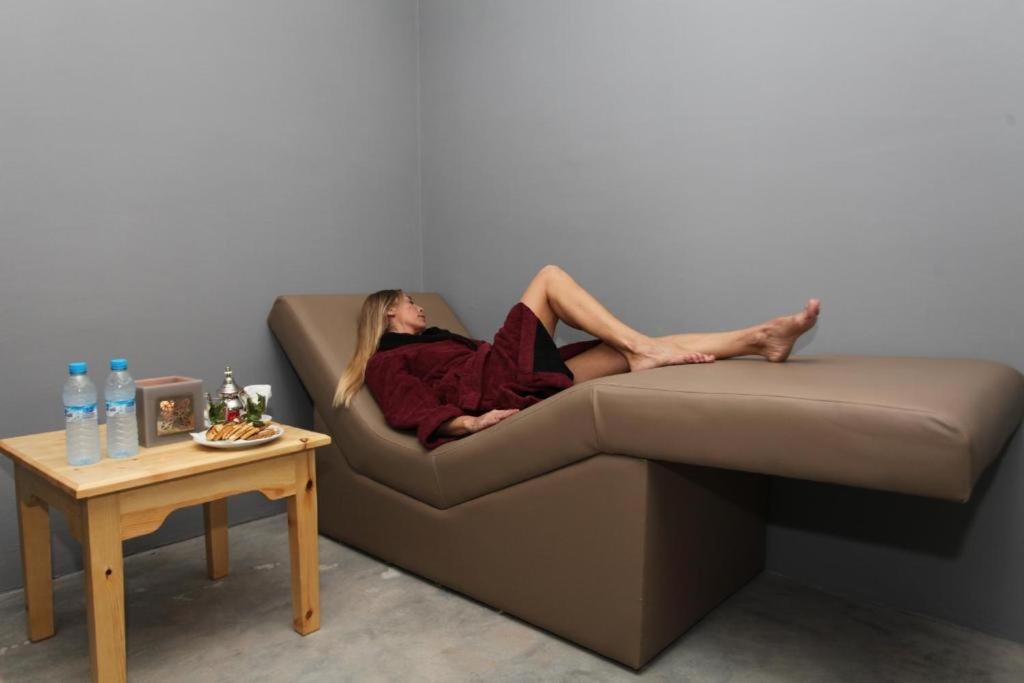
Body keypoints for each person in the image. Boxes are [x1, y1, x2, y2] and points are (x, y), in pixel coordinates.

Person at [334, 264, 820, 450]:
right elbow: (409, 408)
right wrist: (469, 424)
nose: (419, 307)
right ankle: (644, 349)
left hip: (508, 380)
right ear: (388, 311)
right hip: (492, 388)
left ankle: (759, 339)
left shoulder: (436, 339)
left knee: (627, 347)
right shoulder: (384, 359)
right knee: (548, 277)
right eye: (409, 302)